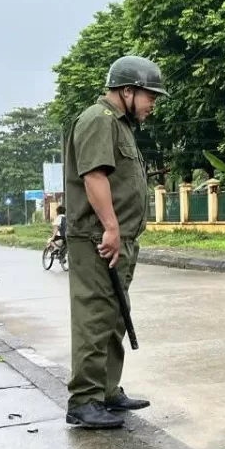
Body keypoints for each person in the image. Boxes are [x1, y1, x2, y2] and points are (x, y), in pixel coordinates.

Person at [62, 55, 167, 429]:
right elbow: (94, 177)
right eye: (149, 95)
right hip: (95, 238)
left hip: (117, 239)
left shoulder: (121, 126)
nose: (152, 104)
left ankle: (106, 390)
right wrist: (109, 227)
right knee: (94, 316)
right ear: (127, 90)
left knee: (114, 315)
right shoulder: (97, 120)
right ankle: (84, 400)